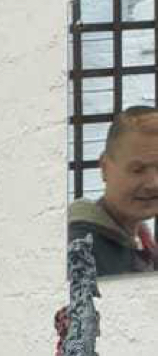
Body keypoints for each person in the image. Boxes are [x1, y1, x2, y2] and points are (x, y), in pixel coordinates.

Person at [68, 104, 158, 276]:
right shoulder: (81, 253)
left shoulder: (140, 237)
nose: (154, 183)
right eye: (138, 169)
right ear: (104, 168)